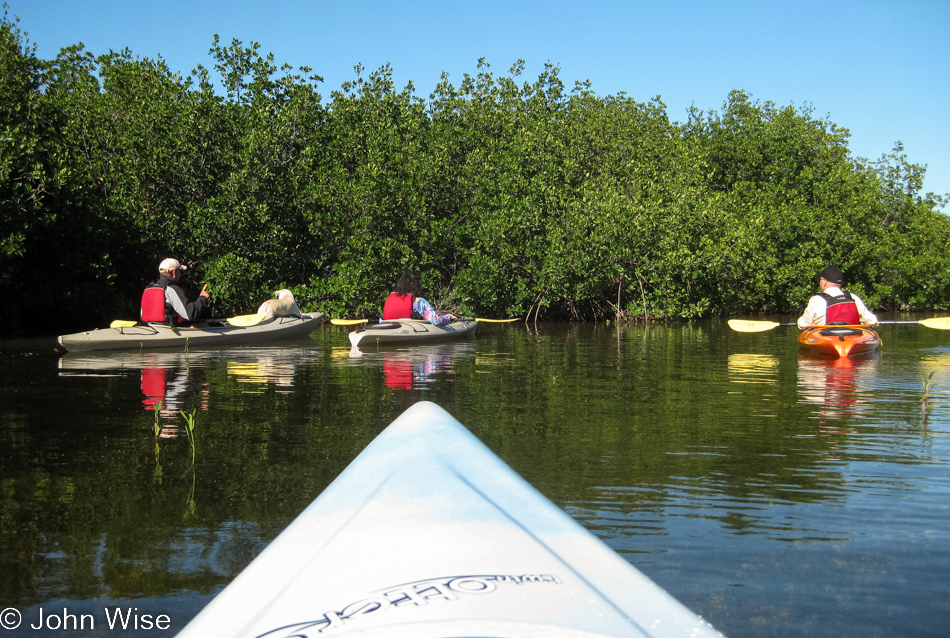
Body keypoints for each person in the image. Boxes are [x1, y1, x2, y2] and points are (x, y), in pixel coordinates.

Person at [797, 266, 878, 329]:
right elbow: (872, 321)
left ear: (825, 282)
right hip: (852, 335)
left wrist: (799, 321)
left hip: (825, 337)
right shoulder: (853, 297)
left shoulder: (816, 300)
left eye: (820, 279)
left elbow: (803, 325)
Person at [140, 258, 210, 326]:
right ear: (174, 272)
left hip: (150, 328)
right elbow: (191, 314)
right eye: (179, 271)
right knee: (204, 325)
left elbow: (142, 314)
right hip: (169, 329)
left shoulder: (148, 289)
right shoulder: (171, 288)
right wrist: (203, 297)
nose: (180, 274)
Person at [382, 272, 456, 326]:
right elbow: (436, 320)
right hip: (410, 329)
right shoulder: (419, 301)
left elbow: (382, 319)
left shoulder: (392, 298)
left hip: (390, 327)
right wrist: (448, 317)